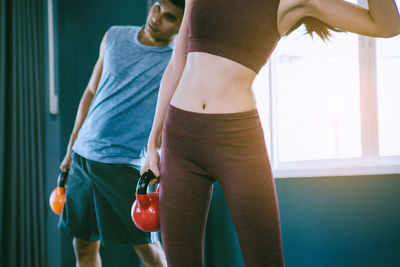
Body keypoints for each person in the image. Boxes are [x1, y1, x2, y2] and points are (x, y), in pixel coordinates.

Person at [141, 0, 400, 266]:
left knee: (265, 261)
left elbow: (387, 25)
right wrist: (152, 143)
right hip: (180, 138)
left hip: (237, 142)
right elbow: (176, 64)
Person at [57, 1, 184, 266]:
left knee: (147, 249)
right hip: (84, 157)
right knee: (82, 244)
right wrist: (71, 147)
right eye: (158, 6)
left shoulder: (177, 62)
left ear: (182, 25)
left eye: (169, 17)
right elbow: (91, 91)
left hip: (126, 165)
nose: (157, 17)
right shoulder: (114, 36)